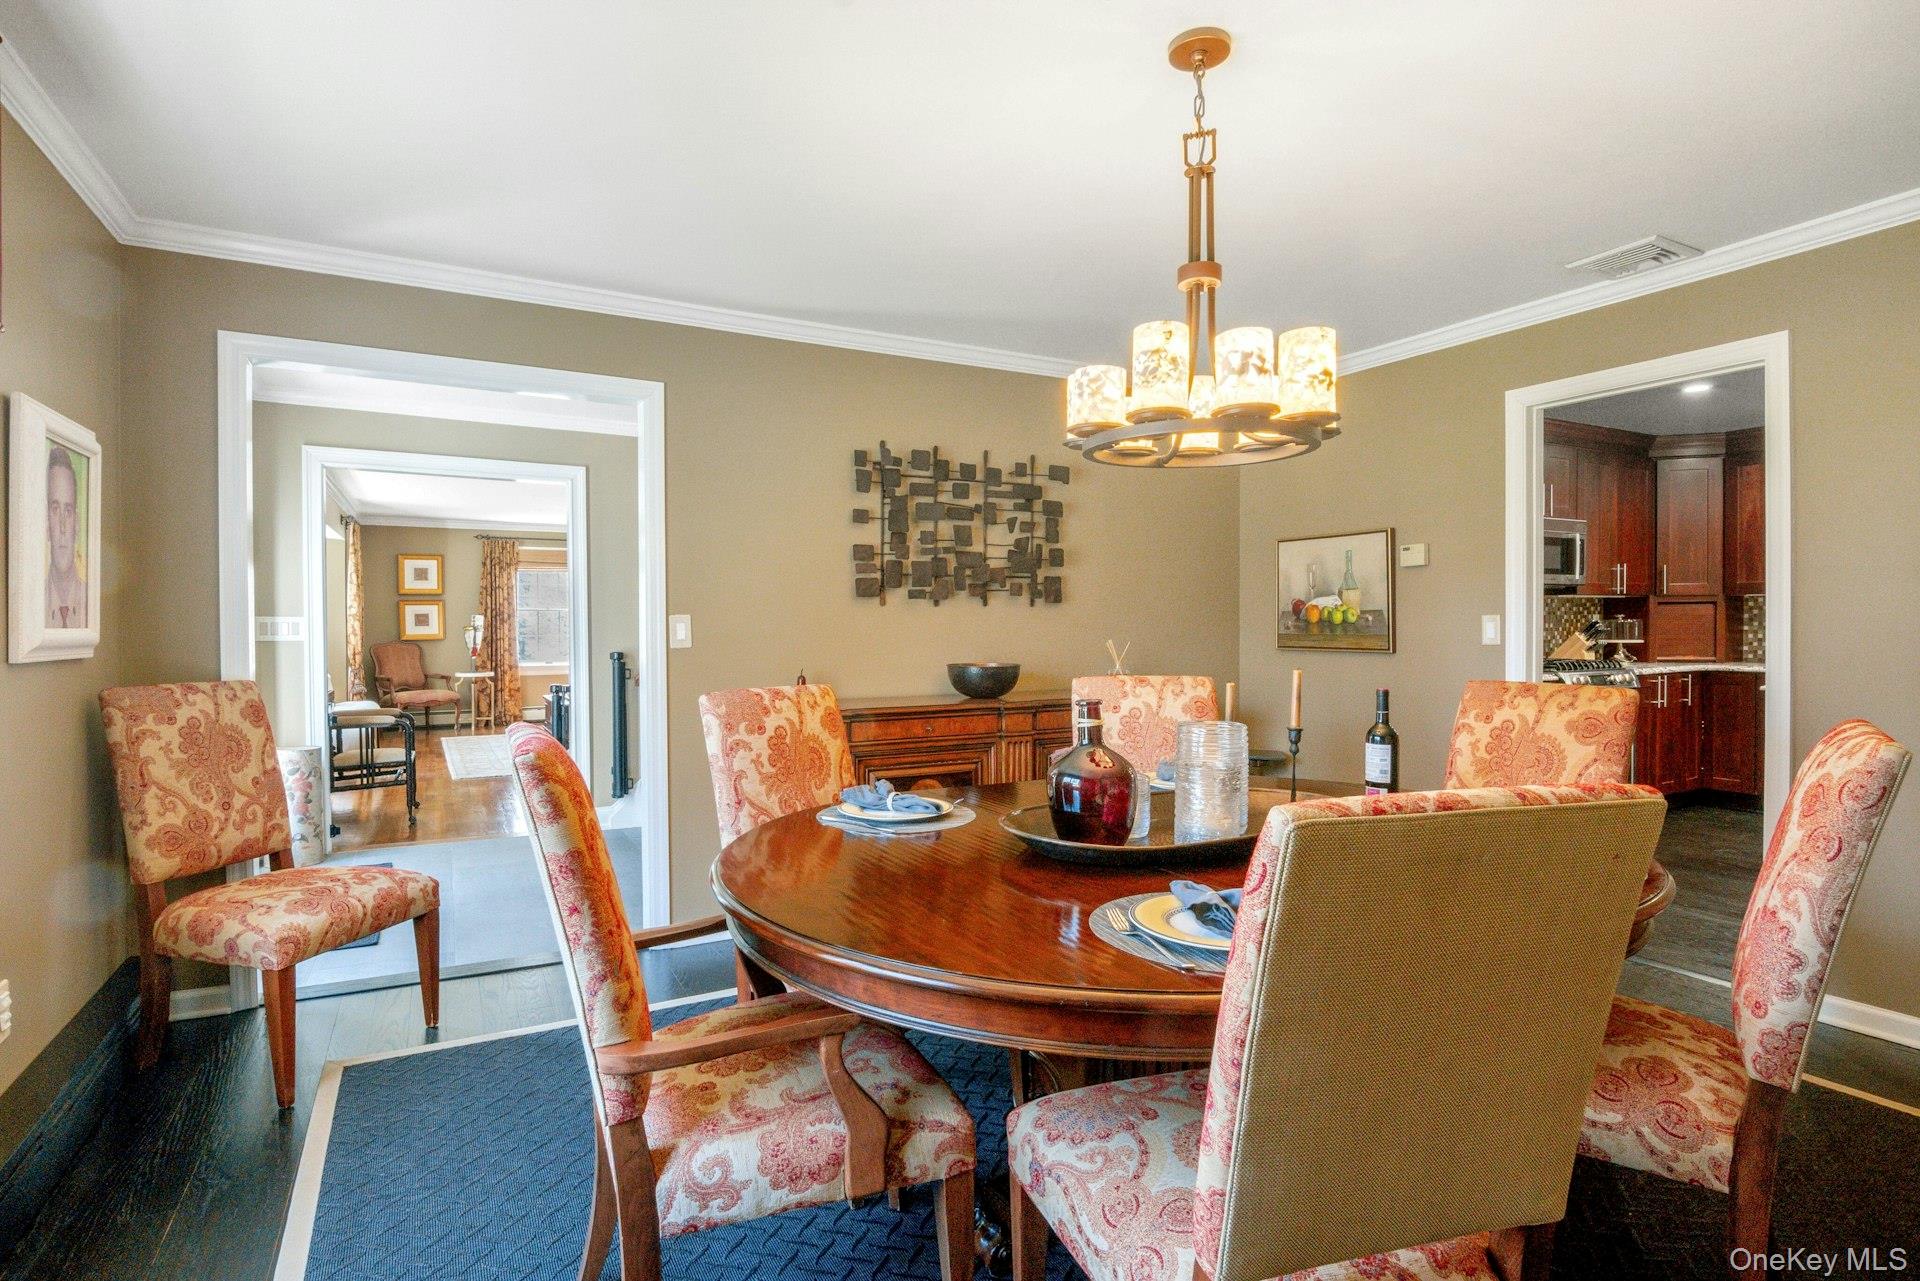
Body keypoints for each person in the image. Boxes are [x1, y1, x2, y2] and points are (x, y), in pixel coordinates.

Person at [45, 445, 87, 628]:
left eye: (68, 511)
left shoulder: (90, 602)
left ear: (76, 524)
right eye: (55, 510)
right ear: (46, 524)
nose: (62, 526)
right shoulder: (32, 602)